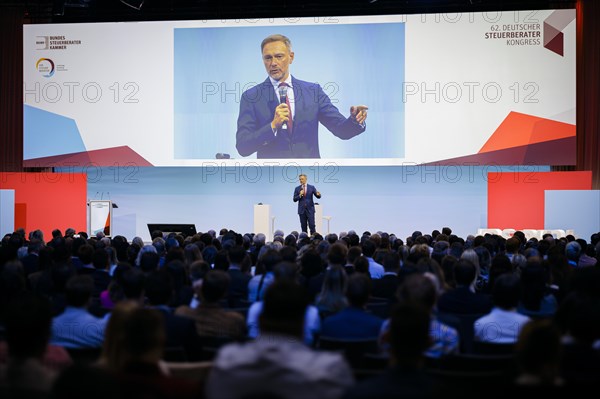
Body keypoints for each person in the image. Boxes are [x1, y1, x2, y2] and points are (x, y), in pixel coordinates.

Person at [236, 33, 368, 158]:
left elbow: (341, 130)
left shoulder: (313, 92)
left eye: (279, 56)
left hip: (309, 174)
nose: (273, 63)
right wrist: (273, 126)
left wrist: (355, 120)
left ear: (291, 57)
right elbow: (243, 147)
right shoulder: (251, 97)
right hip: (271, 177)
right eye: (268, 58)